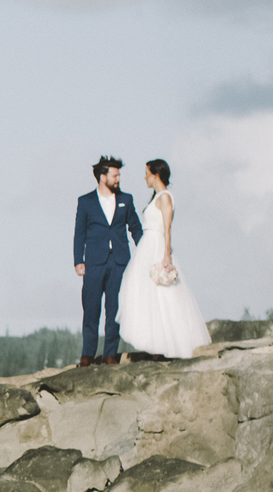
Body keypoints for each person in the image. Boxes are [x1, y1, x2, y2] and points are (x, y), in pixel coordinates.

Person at [117, 159, 211, 359]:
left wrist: (166, 255)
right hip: (148, 246)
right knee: (145, 295)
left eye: (146, 173)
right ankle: (155, 344)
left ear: (156, 175)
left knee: (162, 296)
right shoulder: (158, 196)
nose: (144, 177)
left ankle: (167, 345)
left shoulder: (165, 197)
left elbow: (167, 228)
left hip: (157, 247)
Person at [73, 156, 144, 365]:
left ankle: (110, 354)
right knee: (91, 309)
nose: (119, 178)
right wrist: (78, 260)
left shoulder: (126, 199)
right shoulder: (85, 201)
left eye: (119, 174)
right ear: (103, 177)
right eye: (115, 175)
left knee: (115, 309)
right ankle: (88, 355)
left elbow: (136, 229)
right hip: (94, 262)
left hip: (120, 262)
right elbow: (79, 233)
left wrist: (147, 252)